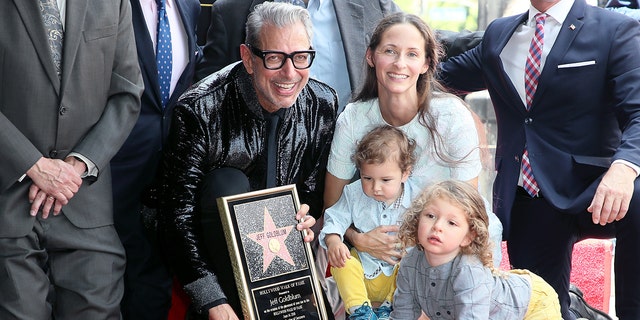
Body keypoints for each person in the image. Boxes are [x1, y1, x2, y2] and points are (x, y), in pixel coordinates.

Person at [439, 0, 640, 318]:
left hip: (597, 187)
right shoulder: (499, 35)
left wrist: (624, 169)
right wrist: (396, 64)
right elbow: (438, 76)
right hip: (530, 197)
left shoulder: (616, 30)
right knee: (540, 309)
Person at [156, 2, 336, 319]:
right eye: (275, 58)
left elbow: (310, 190)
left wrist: (308, 216)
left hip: (281, 259)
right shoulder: (200, 109)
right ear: (248, 58)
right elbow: (176, 215)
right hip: (208, 249)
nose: (290, 73)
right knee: (229, 182)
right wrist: (211, 299)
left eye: (301, 57)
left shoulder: (322, 103)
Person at [323, 12, 503, 273]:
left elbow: (465, 210)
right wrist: (358, 239)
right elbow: (333, 202)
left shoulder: (451, 117)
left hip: (447, 239)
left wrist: (416, 246)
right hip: (379, 243)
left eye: (412, 54)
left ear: (427, 64)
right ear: (371, 56)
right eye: (390, 51)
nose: (399, 63)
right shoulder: (354, 118)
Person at [0, 0, 143, 319]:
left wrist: (76, 167)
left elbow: (127, 93)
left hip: (85, 202)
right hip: (8, 203)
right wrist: (34, 165)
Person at [109, 0, 201, 318]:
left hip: (168, 170)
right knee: (104, 280)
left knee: (154, 281)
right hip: (110, 168)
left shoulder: (189, 6)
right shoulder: (108, 5)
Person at [392, 180, 562, 319]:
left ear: (468, 236)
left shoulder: (468, 270)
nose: (437, 226)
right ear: (417, 219)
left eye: (451, 223)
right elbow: (403, 315)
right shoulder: (409, 263)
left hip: (533, 304)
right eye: (430, 216)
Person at [195, 0, 400, 112]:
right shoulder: (232, 12)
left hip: (351, 156)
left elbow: (417, 50)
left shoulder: (374, 5)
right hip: (262, 164)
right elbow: (206, 95)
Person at [320, 125, 418, 320]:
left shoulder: (418, 198)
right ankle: (359, 311)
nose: (376, 187)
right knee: (342, 260)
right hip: (363, 274)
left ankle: (391, 308)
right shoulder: (354, 193)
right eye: (367, 178)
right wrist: (334, 242)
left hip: (397, 279)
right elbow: (335, 218)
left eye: (386, 180)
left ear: (405, 173)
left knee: (414, 261)